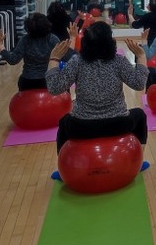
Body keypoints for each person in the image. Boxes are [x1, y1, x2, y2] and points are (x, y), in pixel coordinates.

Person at [45, 22, 149, 162]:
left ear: (85, 42)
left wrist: (54, 59)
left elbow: (54, 88)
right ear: (110, 42)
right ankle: (138, 161)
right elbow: (139, 84)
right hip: (118, 124)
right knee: (140, 115)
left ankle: (64, 165)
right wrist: (141, 56)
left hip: (82, 126)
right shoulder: (119, 61)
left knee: (64, 122)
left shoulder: (77, 61)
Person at [0, 13, 76, 91]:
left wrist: (0, 45)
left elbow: (13, 60)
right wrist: (72, 37)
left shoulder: (25, 40)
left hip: (27, 82)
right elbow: (66, 57)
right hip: (47, 82)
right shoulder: (52, 39)